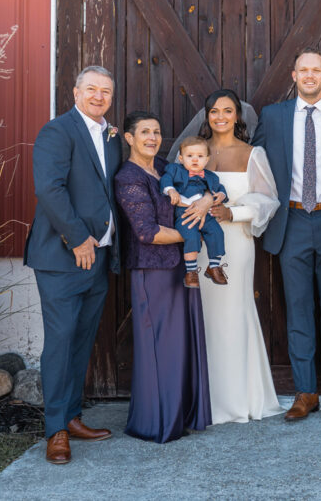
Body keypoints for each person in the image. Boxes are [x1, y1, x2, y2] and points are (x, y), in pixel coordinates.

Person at [251, 50, 321, 421]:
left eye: (317, 69)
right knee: (297, 308)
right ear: (294, 74)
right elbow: (258, 165)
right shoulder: (273, 116)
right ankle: (304, 391)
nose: (310, 76)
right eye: (304, 70)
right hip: (293, 220)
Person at [24, 65, 121, 464]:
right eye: (92, 89)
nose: (99, 96)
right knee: (60, 342)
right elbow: (49, 187)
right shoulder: (58, 131)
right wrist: (78, 237)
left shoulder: (111, 137)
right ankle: (55, 431)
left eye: (106, 91)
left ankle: (73, 416)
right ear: (76, 92)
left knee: (82, 341)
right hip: (64, 256)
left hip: (99, 258)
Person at [113, 111, 211, 442]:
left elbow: (203, 180)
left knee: (179, 345)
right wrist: (191, 234)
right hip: (152, 270)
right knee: (159, 347)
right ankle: (156, 422)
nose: (152, 138)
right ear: (129, 138)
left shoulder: (166, 170)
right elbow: (146, 232)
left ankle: (180, 414)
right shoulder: (129, 178)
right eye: (144, 132)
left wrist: (209, 200)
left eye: (156, 132)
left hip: (180, 268)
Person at [192, 88, 285, 424]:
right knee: (202, 316)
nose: (220, 117)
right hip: (197, 245)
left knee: (232, 315)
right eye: (214, 111)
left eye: (227, 111)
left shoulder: (251, 154)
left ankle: (234, 400)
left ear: (237, 116)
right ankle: (204, 398)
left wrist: (234, 213)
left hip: (235, 241)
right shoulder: (192, 153)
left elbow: (267, 200)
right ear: (207, 116)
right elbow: (172, 194)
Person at [161, 136, 228, 287]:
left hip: (206, 214)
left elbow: (220, 189)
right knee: (191, 237)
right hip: (184, 213)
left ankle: (214, 266)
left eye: (200, 156)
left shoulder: (211, 176)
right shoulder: (175, 170)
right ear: (181, 158)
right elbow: (165, 180)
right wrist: (171, 190)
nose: (195, 160)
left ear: (207, 159)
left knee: (217, 232)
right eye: (190, 156)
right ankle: (191, 272)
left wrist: (221, 195)